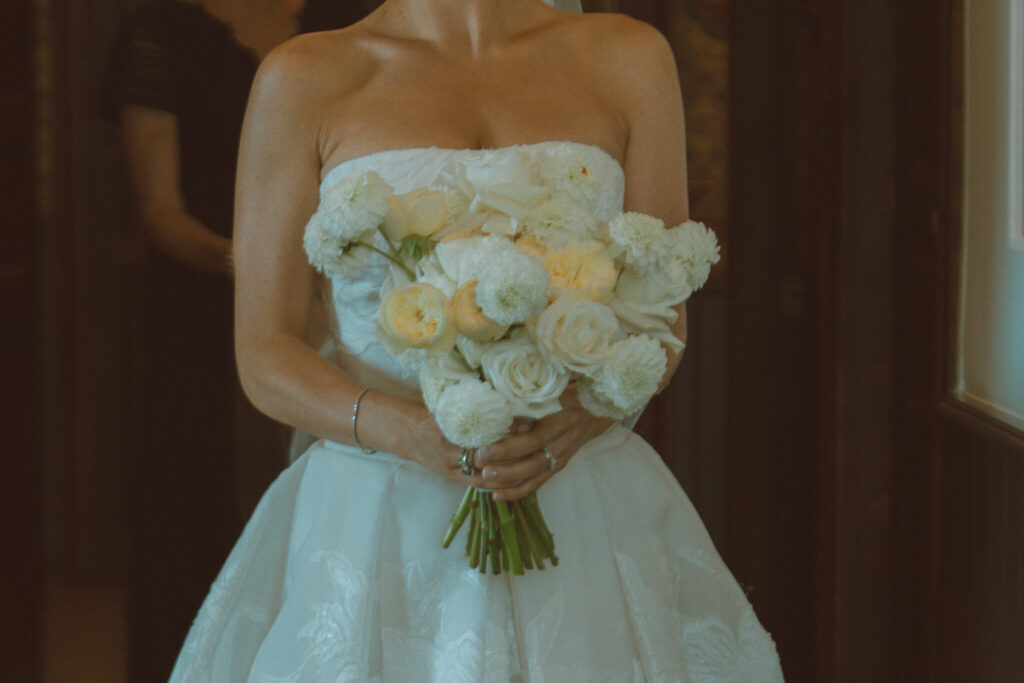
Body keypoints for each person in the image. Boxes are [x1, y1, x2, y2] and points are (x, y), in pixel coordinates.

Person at [170, 0, 786, 680]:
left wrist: (571, 423)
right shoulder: (307, 76)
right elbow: (264, 351)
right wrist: (410, 433)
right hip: (379, 521)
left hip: (578, 502)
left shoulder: (629, 58)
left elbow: (663, 316)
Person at [103, 1, 306, 679]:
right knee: (192, 490)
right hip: (198, 303)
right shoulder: (159, 33)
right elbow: (161, 213)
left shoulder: (347, 16)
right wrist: (258, 266)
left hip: (329, 301)